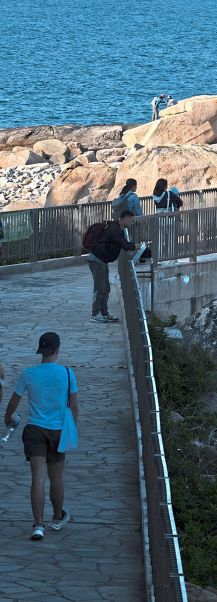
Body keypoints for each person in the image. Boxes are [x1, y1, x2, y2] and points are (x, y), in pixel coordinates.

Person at [5, 331, 78, 541]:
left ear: (41, 351)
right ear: (57, 350)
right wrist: (71, 429)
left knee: (38, 477)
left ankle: (38, 525)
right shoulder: (67, 373)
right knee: (56, 477)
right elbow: (74, 407)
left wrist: (8, 418)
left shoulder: (28, 373)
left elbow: (14, 400)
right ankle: (57, 517)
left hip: (35, 430)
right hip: (58, 431)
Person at [85, 210, 138, 323]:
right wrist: (137, 246)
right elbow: (125, 245)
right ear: (125, 219)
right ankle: (95, 314)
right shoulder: (115, 230)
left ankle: (104, 313)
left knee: (106, 288)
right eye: (131, 220)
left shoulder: (116, 228)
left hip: (102, 261)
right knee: (99, 288)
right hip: (97, 260)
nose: (132, 223)